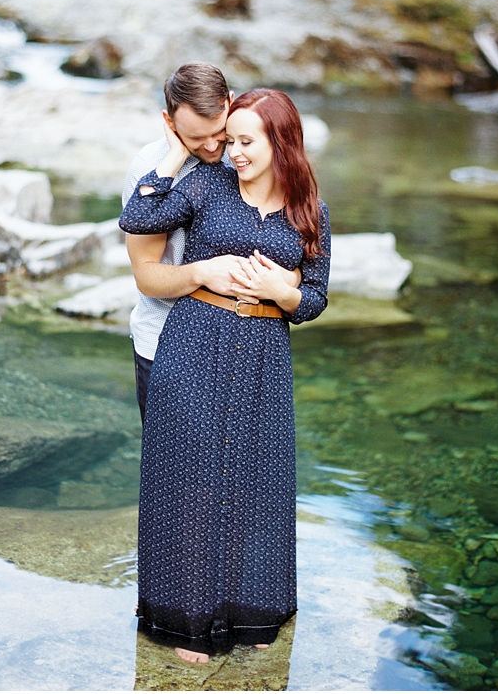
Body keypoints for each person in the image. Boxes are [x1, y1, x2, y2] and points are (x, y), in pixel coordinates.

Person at [120, 88, 331, 663]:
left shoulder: (309, 207)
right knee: (189, 480)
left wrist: (280, 290)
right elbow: (136, 217)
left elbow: (314, 299)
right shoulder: (205, 184)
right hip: (194, 342)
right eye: (229, 140)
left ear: (279, 142)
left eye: (245, 142)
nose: (232, 152)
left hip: (264, 353)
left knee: (259, 483)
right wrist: (169, 156)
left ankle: (252, 614)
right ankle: (183, 622)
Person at [122, 63, 300, 424]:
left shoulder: (246, 154)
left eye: (218, 132)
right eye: (194, 138)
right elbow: (147, 278)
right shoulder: (150, 168)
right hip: (162, 344)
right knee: (177, 473)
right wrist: (204, 273)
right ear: (169, 123)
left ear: (230, 103)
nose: (212, 146)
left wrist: (286, 280)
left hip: (239, 349)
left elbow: (290, 240)